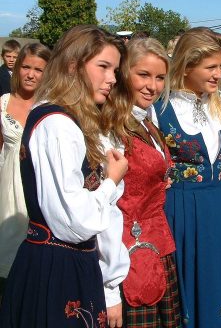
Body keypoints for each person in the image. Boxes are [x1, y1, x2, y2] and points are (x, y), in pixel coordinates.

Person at [0, 25, 129, 327]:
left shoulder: (68, 118)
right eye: (103, 67)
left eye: (115, 70)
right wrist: (110, 180)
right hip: (57, 267)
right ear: (73, 65)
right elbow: (74, 222)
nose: (112, 79)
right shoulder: (58, 124)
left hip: (68, 262)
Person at [152, 27, 221, 327]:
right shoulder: (158, 109)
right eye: (211, 67)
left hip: (218, 209)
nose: (218, 74)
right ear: (187, 65)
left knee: (220, 286)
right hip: (179, 211)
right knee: (188, 289)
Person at [105, 37, 182, 327]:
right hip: (126, 251)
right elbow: (106, 203)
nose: (153, 85)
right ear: (125, 73)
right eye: (144, 75)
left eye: (160, 77)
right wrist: (110, 288)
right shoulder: (112, 126)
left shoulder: (146, 122)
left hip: (158, 241)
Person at [0, 43, 51, 294]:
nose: (31, 74)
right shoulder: (3, 103)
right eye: (26, 67)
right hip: (6, 191)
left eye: (39, 69)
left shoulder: (49, 107)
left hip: (39, 192)